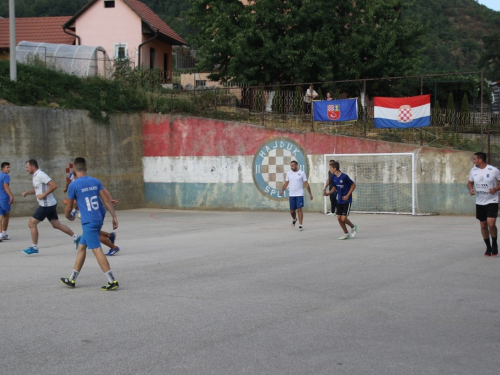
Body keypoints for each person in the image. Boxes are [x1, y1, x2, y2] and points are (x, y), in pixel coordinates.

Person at [60, 157, 120, 290]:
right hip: (98, 219)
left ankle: (112, 280)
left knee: (97, 250)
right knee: (82, 247)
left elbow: (69, 207)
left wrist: (67, 216)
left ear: (74, 170)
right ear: (86, 168)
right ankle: (72, 279)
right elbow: (106, 200)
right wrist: (114, 216)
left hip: (89, 222)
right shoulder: (95, 181)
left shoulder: (73, 185)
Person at [21, 159, 81, 255]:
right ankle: (76, 237)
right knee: (56, 224)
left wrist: (43, 196)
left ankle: (34, 247)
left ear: (33, 167)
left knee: (31, 224)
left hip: (46, 205)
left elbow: (53, 186)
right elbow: (37, 188)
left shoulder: (41, 175)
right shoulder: (35, 176)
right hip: (50, 204)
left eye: (27, 167)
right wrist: (27, 193)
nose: (26, 169)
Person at [467, 152, 500, 256]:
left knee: (491, 224)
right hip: (480, 201)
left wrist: (495, 189)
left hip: (492, 200)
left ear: (480, 160)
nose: (473, 161)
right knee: (483, 224)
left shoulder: (494, 170)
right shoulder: (473, 170)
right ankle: (488, 247)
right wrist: (471, 189)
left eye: (474, 159)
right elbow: (469, 183)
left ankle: (494, 243)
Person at [326, 161, 357, 240]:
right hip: (339, 200)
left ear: (335, 168)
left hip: (346, 200)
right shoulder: (334, 177)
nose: (330, 170)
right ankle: (346, 233)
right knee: (339, 218)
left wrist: (347, 195)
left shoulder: (344, 176)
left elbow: (353, 185)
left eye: (330, 168)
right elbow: (334, 188)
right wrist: (328, 193)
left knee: (343, 218)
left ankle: (353, 227)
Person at [280, 160, 313, 231]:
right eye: (291, 166)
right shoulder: (289, 173)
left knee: (299, 209)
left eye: (293, 165)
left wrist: (310, 194)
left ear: (296, 165)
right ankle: (294, 219)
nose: (292, 167)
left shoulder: (302, 173)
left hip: (299, 194)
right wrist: (282, 190)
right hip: (291, 194)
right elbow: (286, 183)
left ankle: (300, 225)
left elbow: (306, 184)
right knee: (292, 211)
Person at [0, 162, 14, 241]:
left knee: (0, 216)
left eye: (9, 167)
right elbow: (5, 186)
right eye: (7, 167)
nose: (9, 169)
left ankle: (0, 235)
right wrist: (11, 196)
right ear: (3, 168)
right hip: (4, 198)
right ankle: (4, 234)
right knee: (6, 215)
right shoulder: (6, 176)